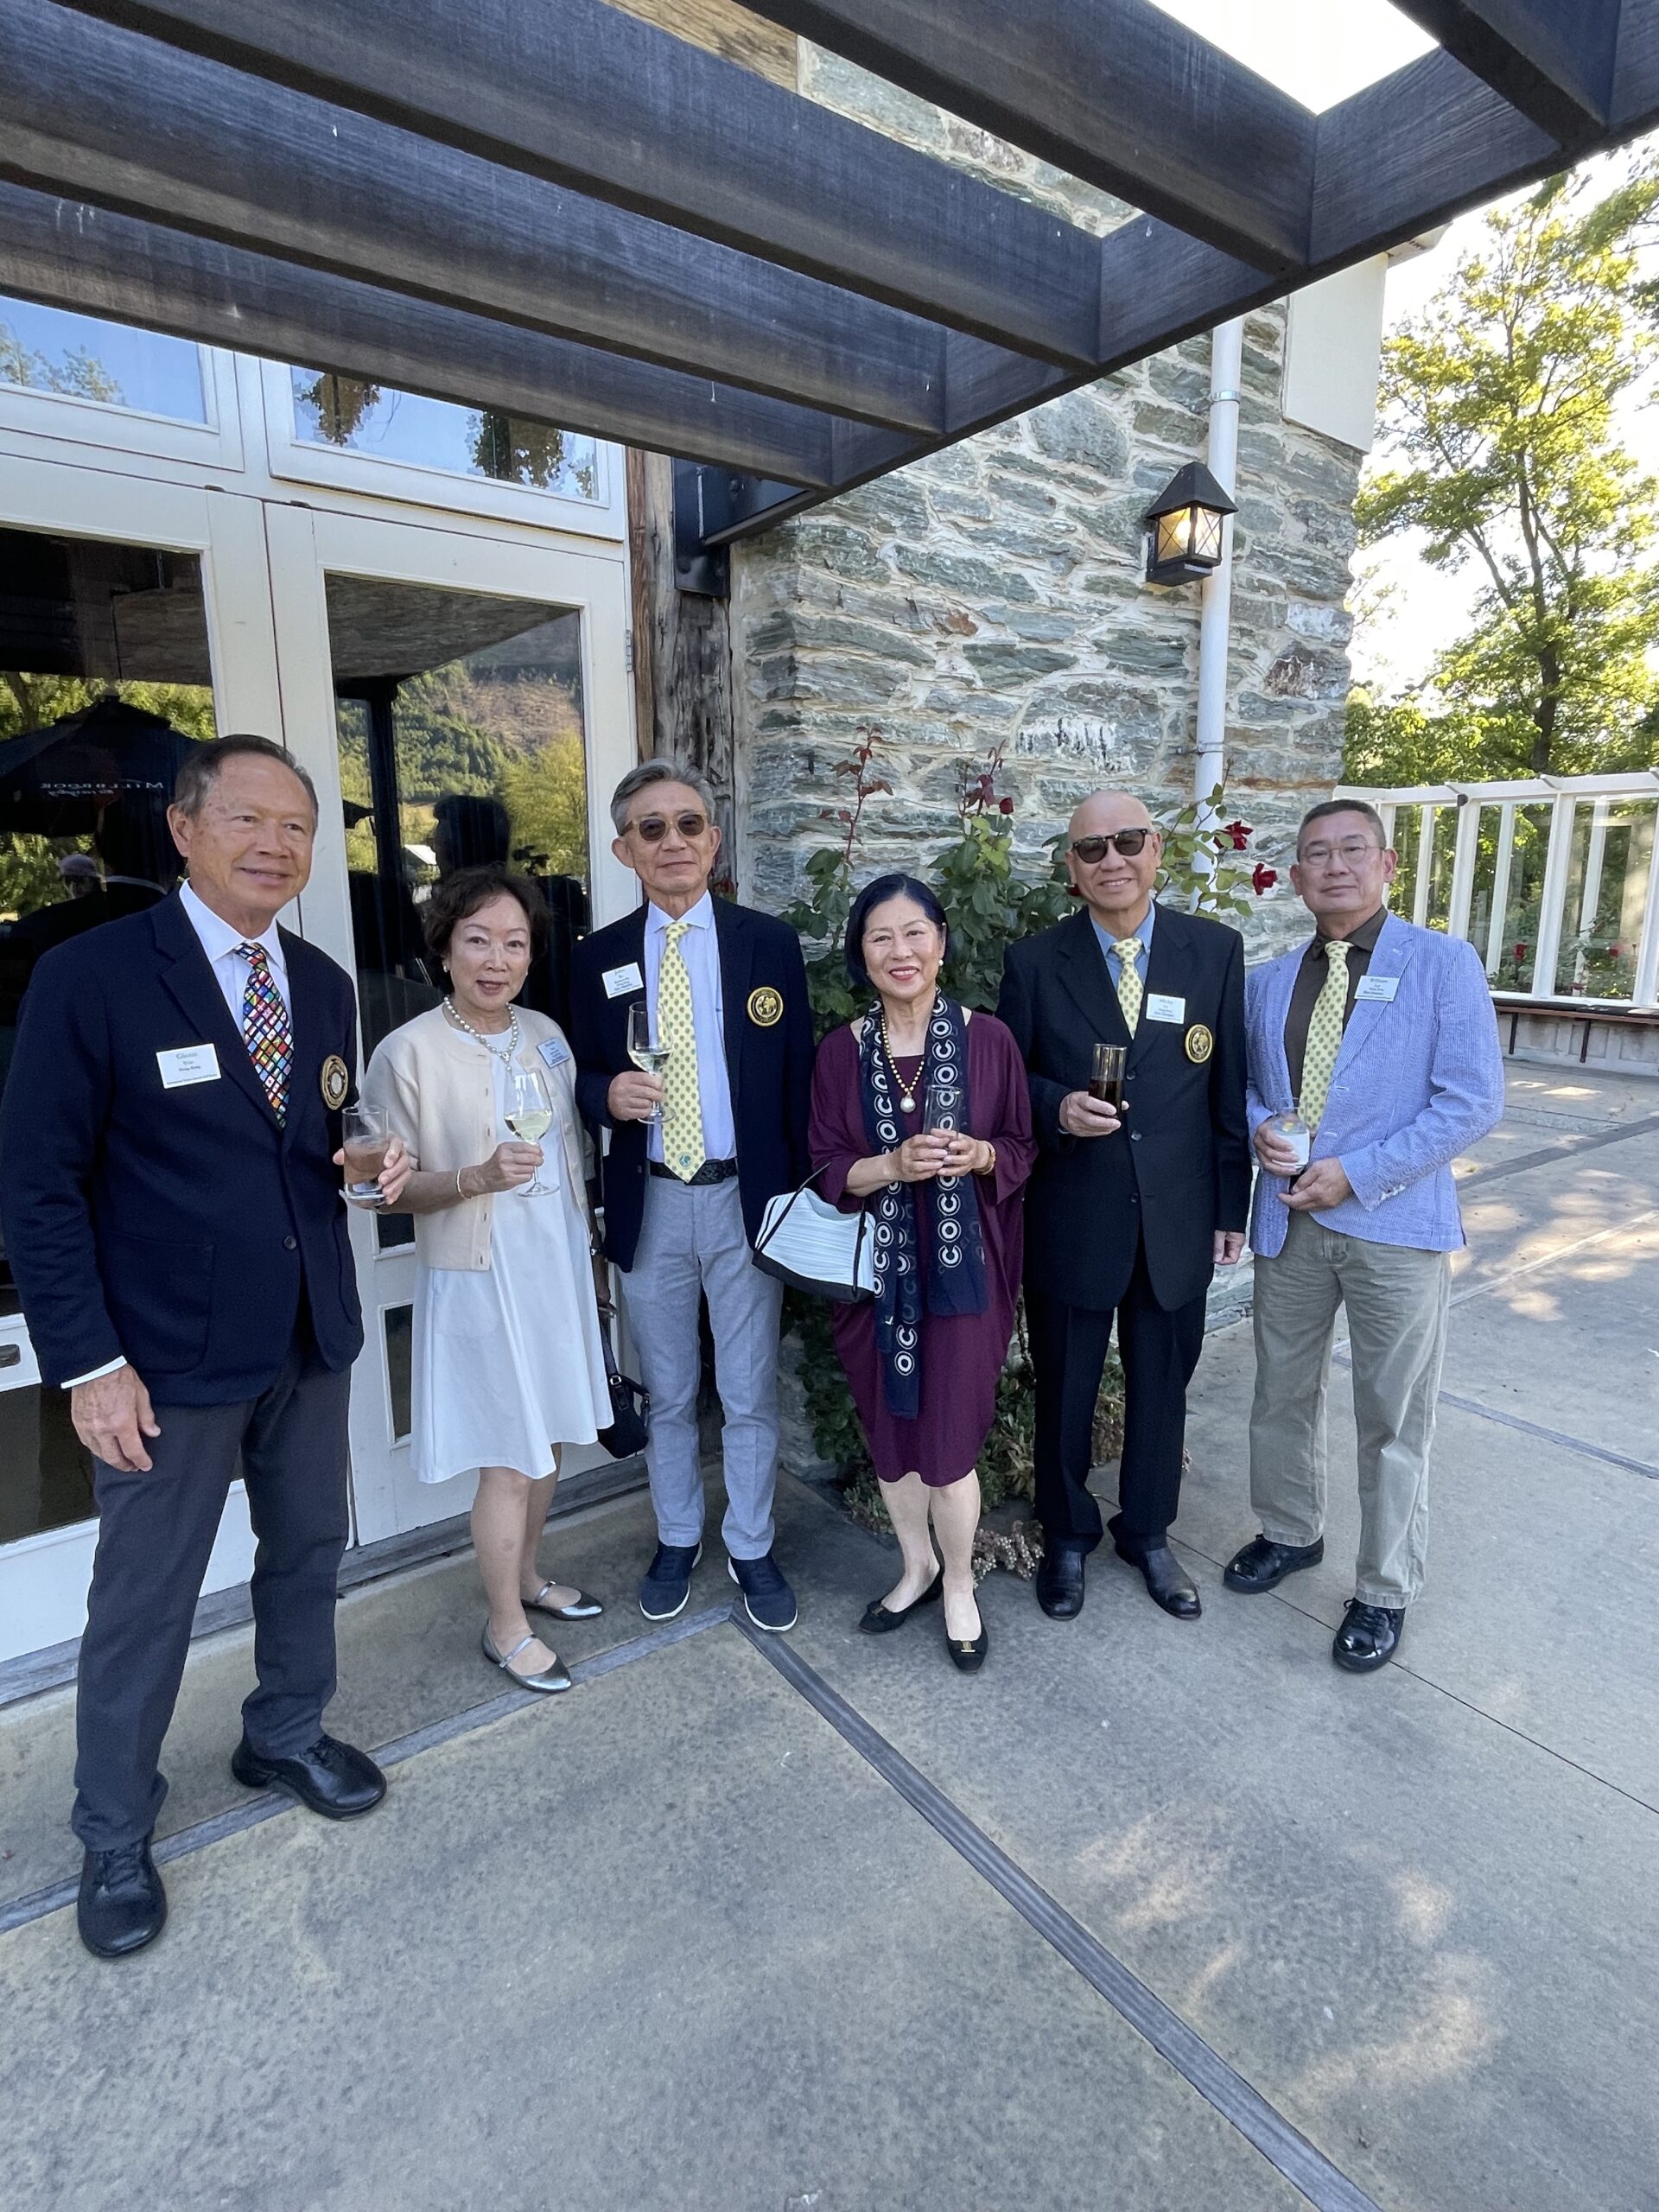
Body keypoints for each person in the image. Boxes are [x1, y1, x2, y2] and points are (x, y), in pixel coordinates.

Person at [0, 734, 408, 1960]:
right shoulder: (92, 976)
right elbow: (38, 1189)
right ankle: (114, 1828)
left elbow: (310, 1140)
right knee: (146, 1597)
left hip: (308, 1333)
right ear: (182, 830)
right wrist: (88, 1364)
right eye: (247, 819)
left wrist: (365, 1166)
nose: (276, 845)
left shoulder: (322, 982)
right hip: (161, 1358)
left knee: (307, 1552)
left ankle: (283, 1731)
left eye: (297, 826)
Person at [1225, 799, 1504, 1671]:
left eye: (1353, 849)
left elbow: (1471, 1099)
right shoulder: (1268, 981)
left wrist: (1359, 1171)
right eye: (1317, 853)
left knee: (1394, 1414)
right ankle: (1289, 1530)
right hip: (1290, 1220)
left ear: (1387, 865)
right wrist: (1261, 1125)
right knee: (1280, 1393)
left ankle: (1384, 1588)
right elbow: (1247, 1087)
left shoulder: (1443, 964)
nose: (1335, 865)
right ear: (1297, 877)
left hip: (1395, 1225)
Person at [569, 761, 812, 1631]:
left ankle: (750, 1542)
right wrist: (606, 1094)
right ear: (624, 850)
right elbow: (574, 1077)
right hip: (654, 1202)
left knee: (748, 1391)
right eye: (651, 828)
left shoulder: (767, 944)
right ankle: (678, 1535)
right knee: (669, 1392)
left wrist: (799, 1200)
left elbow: (797, 1077)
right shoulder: (594, 958)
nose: (672, 841)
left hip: (745, 1196)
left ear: (713, 841)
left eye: (688, 824)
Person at [997, 789, 1249, 1624]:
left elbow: (1228, 1089)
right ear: (1071, 869)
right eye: (1092, 849)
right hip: (1075, 1213)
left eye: (1128, 841)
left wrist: (1233, 1207)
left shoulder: (1214, 952)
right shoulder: (1036, 962)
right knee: (1065, 1388)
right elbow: (1009, 1081)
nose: (1112, 860)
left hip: (1178, 1216)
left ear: (1157, 851)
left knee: (1163, 1388)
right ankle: (1067, 1535)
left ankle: (1147, 1532)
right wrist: (1056, 1107)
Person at [362, 865, 611, 1693]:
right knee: (508, 1454)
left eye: (514, 943)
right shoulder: (407, 1052)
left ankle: (529, 1576)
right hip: (480, 1277)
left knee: (550, 1437)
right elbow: (386, 1192)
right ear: (444, 950)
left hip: (554, 1268)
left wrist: (590, 1257)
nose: (496, 959)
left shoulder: (545, 1033)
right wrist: (474, 1177)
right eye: (478, 941)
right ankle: (504, 1626)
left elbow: (570, 1160)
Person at [808, 876, 1034, 1671]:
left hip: (965, 1277)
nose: (899, 951)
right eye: (881, 936)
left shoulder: (989, 1041)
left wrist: (981, 1154)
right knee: (891, 1434)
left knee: (949, 1441)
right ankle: (916, 1568)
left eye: (915, 933)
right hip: (874, 1281)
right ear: (861, 953)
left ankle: (961, 1583)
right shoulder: (841, 1052)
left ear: (941, 943)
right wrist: (892, 1166)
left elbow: (1022, 1148)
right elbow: (826, 1165)